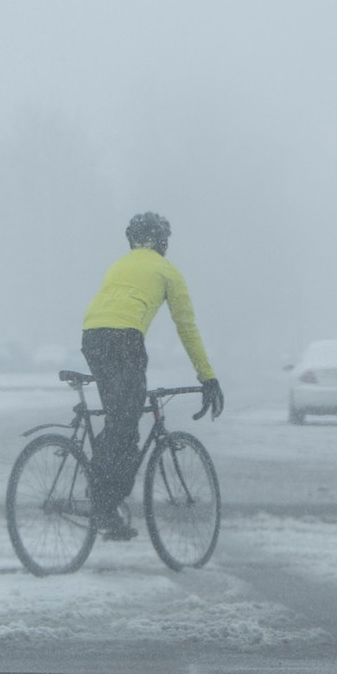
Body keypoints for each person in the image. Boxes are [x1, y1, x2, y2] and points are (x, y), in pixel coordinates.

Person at [80, 211, 223, 540]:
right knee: (127, 429)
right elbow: (187, 328)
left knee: (119, 419)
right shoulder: (167, 271)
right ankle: (104, 505)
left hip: (92, 337)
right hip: (124, 340)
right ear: (162, 242)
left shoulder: (119, 264)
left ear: (133, 240)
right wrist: (207, 377)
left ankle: (99, 486)